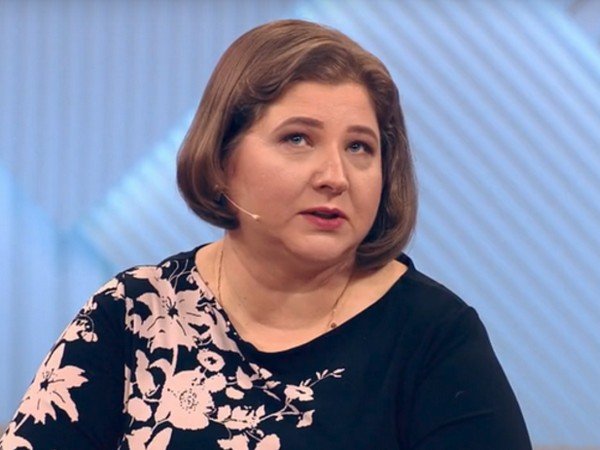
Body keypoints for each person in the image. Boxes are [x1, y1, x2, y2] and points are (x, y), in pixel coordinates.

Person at [0, 19, 531, 450]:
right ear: (221, 161)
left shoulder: (434, 337)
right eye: (298, 139)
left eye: (360, 147)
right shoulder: (135, 312)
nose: (335, 176)